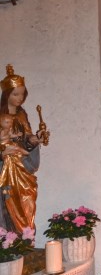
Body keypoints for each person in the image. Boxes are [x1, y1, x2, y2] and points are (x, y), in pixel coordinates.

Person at [0, 65, 47, 234]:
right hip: (5, 168)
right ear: (6, 94)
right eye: (15, 94)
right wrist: (2, 153)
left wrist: (35, 139)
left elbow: (26, 139)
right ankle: (8, 243)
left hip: (22, 167)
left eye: (22, 94)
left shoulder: (22, 114)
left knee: (27, 203)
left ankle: (24, 237)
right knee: (7, 203)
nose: (20, 98)